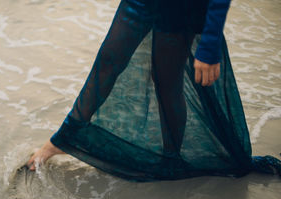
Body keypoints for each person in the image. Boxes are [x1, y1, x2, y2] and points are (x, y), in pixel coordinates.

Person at [27, 0, 280, 180]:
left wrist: (210, 43)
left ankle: (170, 159)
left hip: (182, 6)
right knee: (108, 62)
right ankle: (61, 140)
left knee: (166, 82)